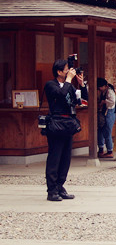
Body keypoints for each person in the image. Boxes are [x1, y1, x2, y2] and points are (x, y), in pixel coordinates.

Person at [44, 59, 80, 201]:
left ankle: (60, 186)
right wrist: (69, 80)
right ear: (59, 72)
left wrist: (81, 85)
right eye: (66, 69)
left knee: (66, 158)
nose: (68, 71)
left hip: (68, 124)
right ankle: (51, 190)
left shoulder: (69, 85)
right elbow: (59, 95)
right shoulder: (50, 85)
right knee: (55, 157)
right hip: (56, 124)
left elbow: (78, 100)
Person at [96, 78, 115, 159]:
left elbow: (112, 102)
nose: (99, 89)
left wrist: (104, 101)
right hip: (103, 112)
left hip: (109, 112)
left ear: (105, 86)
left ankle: (110, 150)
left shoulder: (110, 91)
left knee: (107, 131)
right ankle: (101, 149)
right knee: (100, 130)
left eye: (100, 87)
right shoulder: (103, 91)